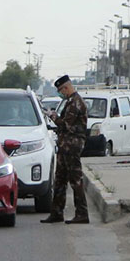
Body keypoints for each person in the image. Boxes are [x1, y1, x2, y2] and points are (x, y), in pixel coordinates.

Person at [41, 75, 89, 224]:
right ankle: (56, 212)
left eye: (61, 90)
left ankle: (82, 213)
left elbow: (65, 125)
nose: (60, 93)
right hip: (65, 145)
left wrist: (53, 116)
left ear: (66, 88)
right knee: (60, 180)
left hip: (72, 146)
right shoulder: (70, 102)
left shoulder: (76, 103)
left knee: (75, 180)